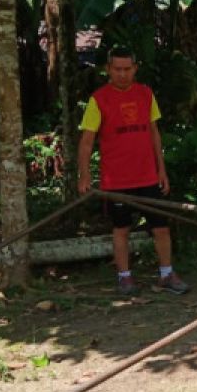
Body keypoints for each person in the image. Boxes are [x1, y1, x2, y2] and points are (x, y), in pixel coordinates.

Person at [77, 50, 188, 295]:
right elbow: (87, 141)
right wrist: (84, 175)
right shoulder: (99, 99)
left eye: (127, 69)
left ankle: (167, 274)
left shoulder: (145, 94)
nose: (123, 74)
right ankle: (124, 277)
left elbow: (154, 133)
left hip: (148, 176)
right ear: (108, 69)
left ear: (135, 69)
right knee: (121, 229)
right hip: (116, 180)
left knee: (161, 227)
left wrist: (162, 170)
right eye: (118, 69)